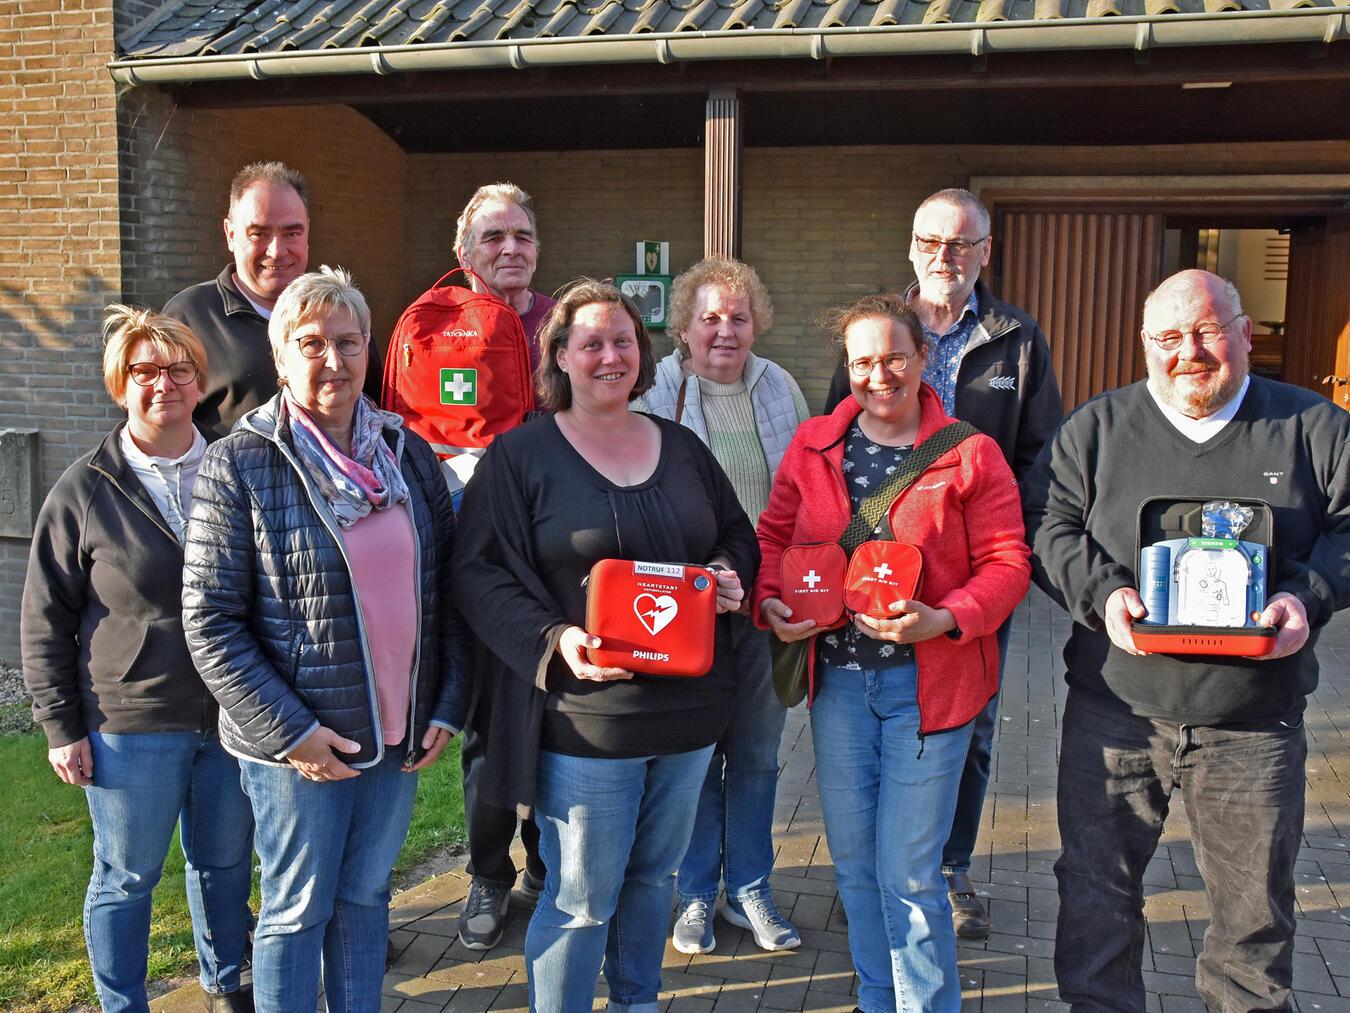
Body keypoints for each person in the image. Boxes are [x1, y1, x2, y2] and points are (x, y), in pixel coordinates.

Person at [1023, 269, 1350, 1011]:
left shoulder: (1313, 427)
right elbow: (1046, 523)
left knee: (1254, 914)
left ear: (1243, 332)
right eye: (1168, 337)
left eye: (1206, 331)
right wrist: (1101, 594)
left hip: (1253, 720)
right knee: (1096, 894)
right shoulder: (1096, 429)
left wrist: (1308, 597)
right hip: (1117, 710)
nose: (1188, 352)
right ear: (1146, 344)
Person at [452, 279, 759, 1013]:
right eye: (591, 342)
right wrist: (554, 637)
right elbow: (477, 571)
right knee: (582, 898)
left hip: (688, 716)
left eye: (623, 340)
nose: (611, 356)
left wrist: (727, 573)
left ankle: (635, 1001)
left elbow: (735, 532)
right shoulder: (520, 456)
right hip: (588, 721)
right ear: (560, 356)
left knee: (653, 879)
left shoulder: (681, 447)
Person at [180, 267, 472, 1011]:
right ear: (279, 357)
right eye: (310, 343)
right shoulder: (240, 463)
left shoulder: (407, 454)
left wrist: (446, 704)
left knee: (365, 896)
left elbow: (449, 591)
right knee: (296, 908)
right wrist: (291, 732)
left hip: (397, 732)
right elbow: (210, 621)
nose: (332, 360)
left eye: (348, 342)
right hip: (302, 746)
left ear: (369, 348)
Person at [755, 293, 1030, 1013]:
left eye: (895, 358)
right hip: (840, 686)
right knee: (853, 867)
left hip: (928, 689)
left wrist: (946, 617)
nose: (879, 375)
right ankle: (879, 999)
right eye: (863, 362)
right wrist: (771, 601)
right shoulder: (814, 443)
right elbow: (774, 537)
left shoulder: (971, 453)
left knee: (908, 873)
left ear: (924, 358)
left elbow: (1008, 562)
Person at [822, 187, 1062, 938]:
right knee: (866, 717)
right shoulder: (875, 328)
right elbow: (834, 437)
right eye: (930, 240)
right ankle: (879, 868)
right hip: (877, 566)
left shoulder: (1016, 337)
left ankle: (947, 867)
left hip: (974, 574)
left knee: (973, 724)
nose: (944, 256)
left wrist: (1006, 556)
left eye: (960, 243)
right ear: (911, 246)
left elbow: (1042, 456)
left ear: (984, 251)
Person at [20, 307, 254, 1012]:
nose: (164, 384)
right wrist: (60, 726)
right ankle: (123, 1003)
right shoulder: (84, 489)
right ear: (119, 385)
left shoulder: (238, 465)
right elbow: (44, 618)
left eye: (180, 369)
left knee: (223, 865)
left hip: (233, 714)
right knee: (127, 876)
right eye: (144, 371)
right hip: (131, 723)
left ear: (200, 381)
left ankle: (226, 984)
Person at [632, 256, 808, 954]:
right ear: (684, 327)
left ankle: (750, 887)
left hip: (764, 603)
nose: (724, 331)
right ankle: (696, 892)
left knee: (758, 754)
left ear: (756, 324)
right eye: (709, 318)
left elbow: (803, 496)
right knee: (697, 756)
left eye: (738, 317)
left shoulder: (780, 387)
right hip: (688, 608)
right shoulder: (657, 392)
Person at [445, 181, 555, 951]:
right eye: (493, 236)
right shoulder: (435, 330)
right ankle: (488, 873)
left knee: (560, 722)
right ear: (464, 253)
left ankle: (548, 868)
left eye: (521, 236)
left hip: (556, 563)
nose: (509, 248)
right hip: (478, 563)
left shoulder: (564, 323)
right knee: (487, 731)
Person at [164, 160, 380, 438]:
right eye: (259, 233)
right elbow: (155, 430)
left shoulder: (341, 313)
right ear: (231, 234)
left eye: (292, 233)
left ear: (307, 233)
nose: (277, 251)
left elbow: (374, 408)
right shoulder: (188, 317)